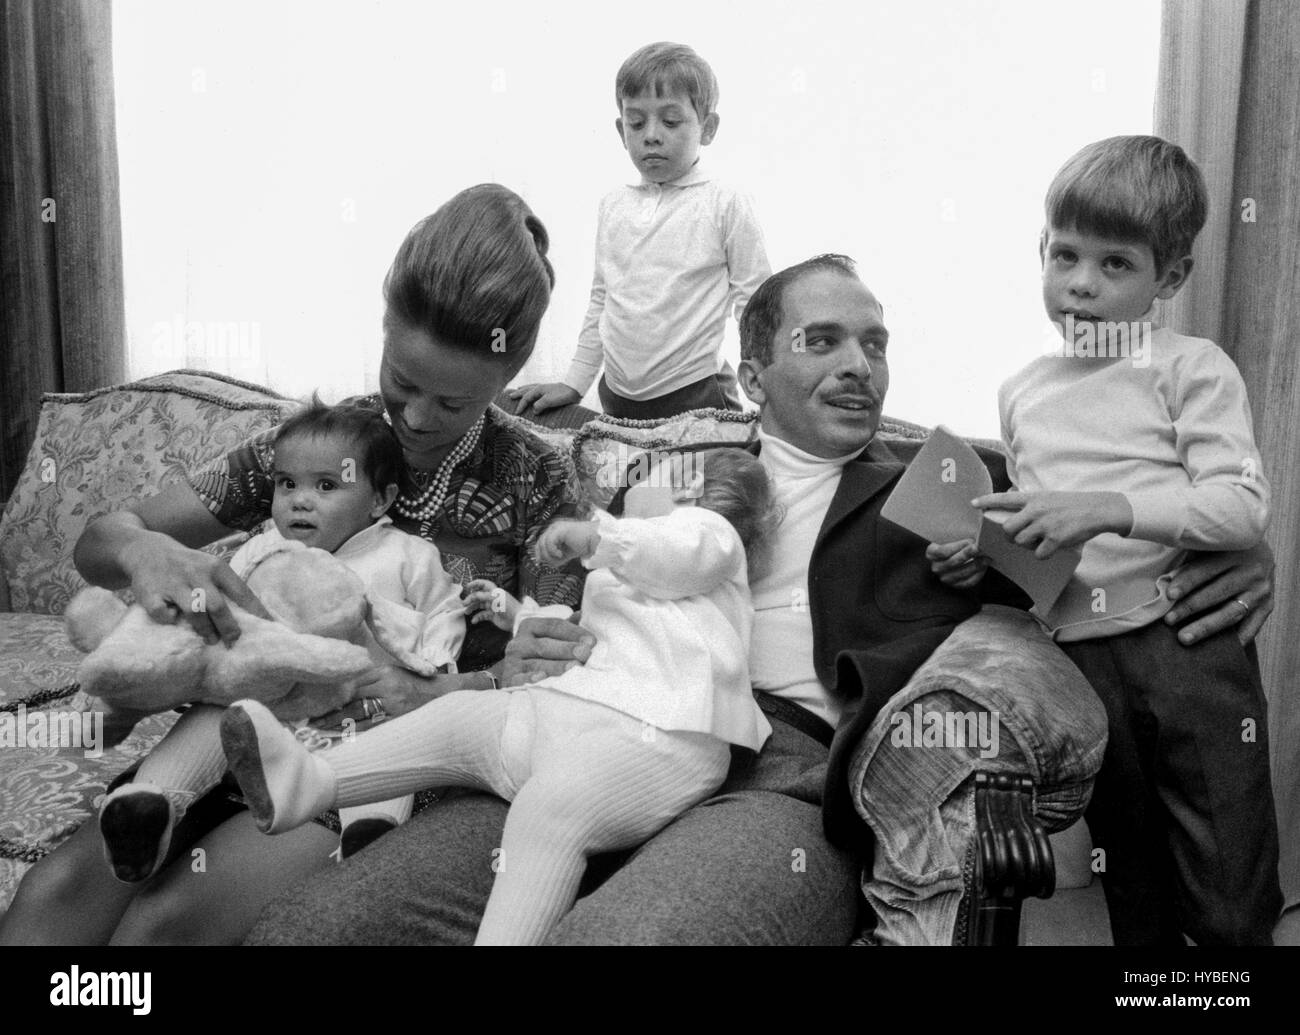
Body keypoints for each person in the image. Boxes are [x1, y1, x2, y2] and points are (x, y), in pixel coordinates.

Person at [246, 254, 1276, 946]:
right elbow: (572, 596)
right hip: (592, 737)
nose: (859, 365)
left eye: (873, 343)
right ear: (750, 376)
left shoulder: (946, 482)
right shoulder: (672, 488)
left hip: (777, 786)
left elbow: (1094, 592)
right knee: (317, 932)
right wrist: (532, 645)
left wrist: (1228, 556)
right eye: (822, 342)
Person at [0, 184, 581, 946]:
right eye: (401, 380)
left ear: (508, 378)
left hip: (372, 765)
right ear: (383, 322)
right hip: (230, 725)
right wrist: (148, 552)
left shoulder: (537, 479)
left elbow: (561, 672)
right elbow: (104, 537)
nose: (412, 418)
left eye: (452, 403)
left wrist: (461, 681)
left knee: (160, 927)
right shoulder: (314, 445)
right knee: (55, 891)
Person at [929, 136, 1281, 945]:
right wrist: (985, 553)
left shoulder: (1192, 367)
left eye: (1116, 264)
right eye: (1065, 255)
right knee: (1131, 871)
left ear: (1171, 276)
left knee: (1228, 872)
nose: (1081, 284)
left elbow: (1239, 507)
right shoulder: (1021, 392)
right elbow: (1042, 549)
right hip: (1081, 660)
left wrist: (1106, 507)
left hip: (1186, 645)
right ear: (1042, 253)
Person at [220, 447, 779, 945]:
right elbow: (575, 632)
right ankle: (309, 780)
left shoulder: (706, 537)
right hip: (570, 712)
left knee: (547, 815)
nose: (630, 496)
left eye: (652, 483)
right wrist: (520, 615)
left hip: (660, 736)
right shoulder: (632, 572)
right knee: (460, 715)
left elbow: (685, 548)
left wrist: (600, 536)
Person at [96, 399, 472, 884]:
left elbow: (444, 613)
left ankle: (371, 830)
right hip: (262, 698)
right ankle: (148, 803)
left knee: (387, 744)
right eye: (286, 483)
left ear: (379, 500)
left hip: (355, 706)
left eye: (327, 486)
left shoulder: (408, 555)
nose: (299, 499)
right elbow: (216, 608)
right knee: (212, 721)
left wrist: (432, 670)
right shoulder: (259, 549)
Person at [508, 41, 770, 422]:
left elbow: (756, 302)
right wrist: (575, 382)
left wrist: (768, 387)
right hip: (618, 397)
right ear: (621, 130)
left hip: (697, 393)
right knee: (633, 481)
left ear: (708, 128)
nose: (651, 135)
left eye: (670, 121)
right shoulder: (614, 204)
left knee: (697, 481)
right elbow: (602, 300)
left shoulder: (724, 202)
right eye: (636, 122)